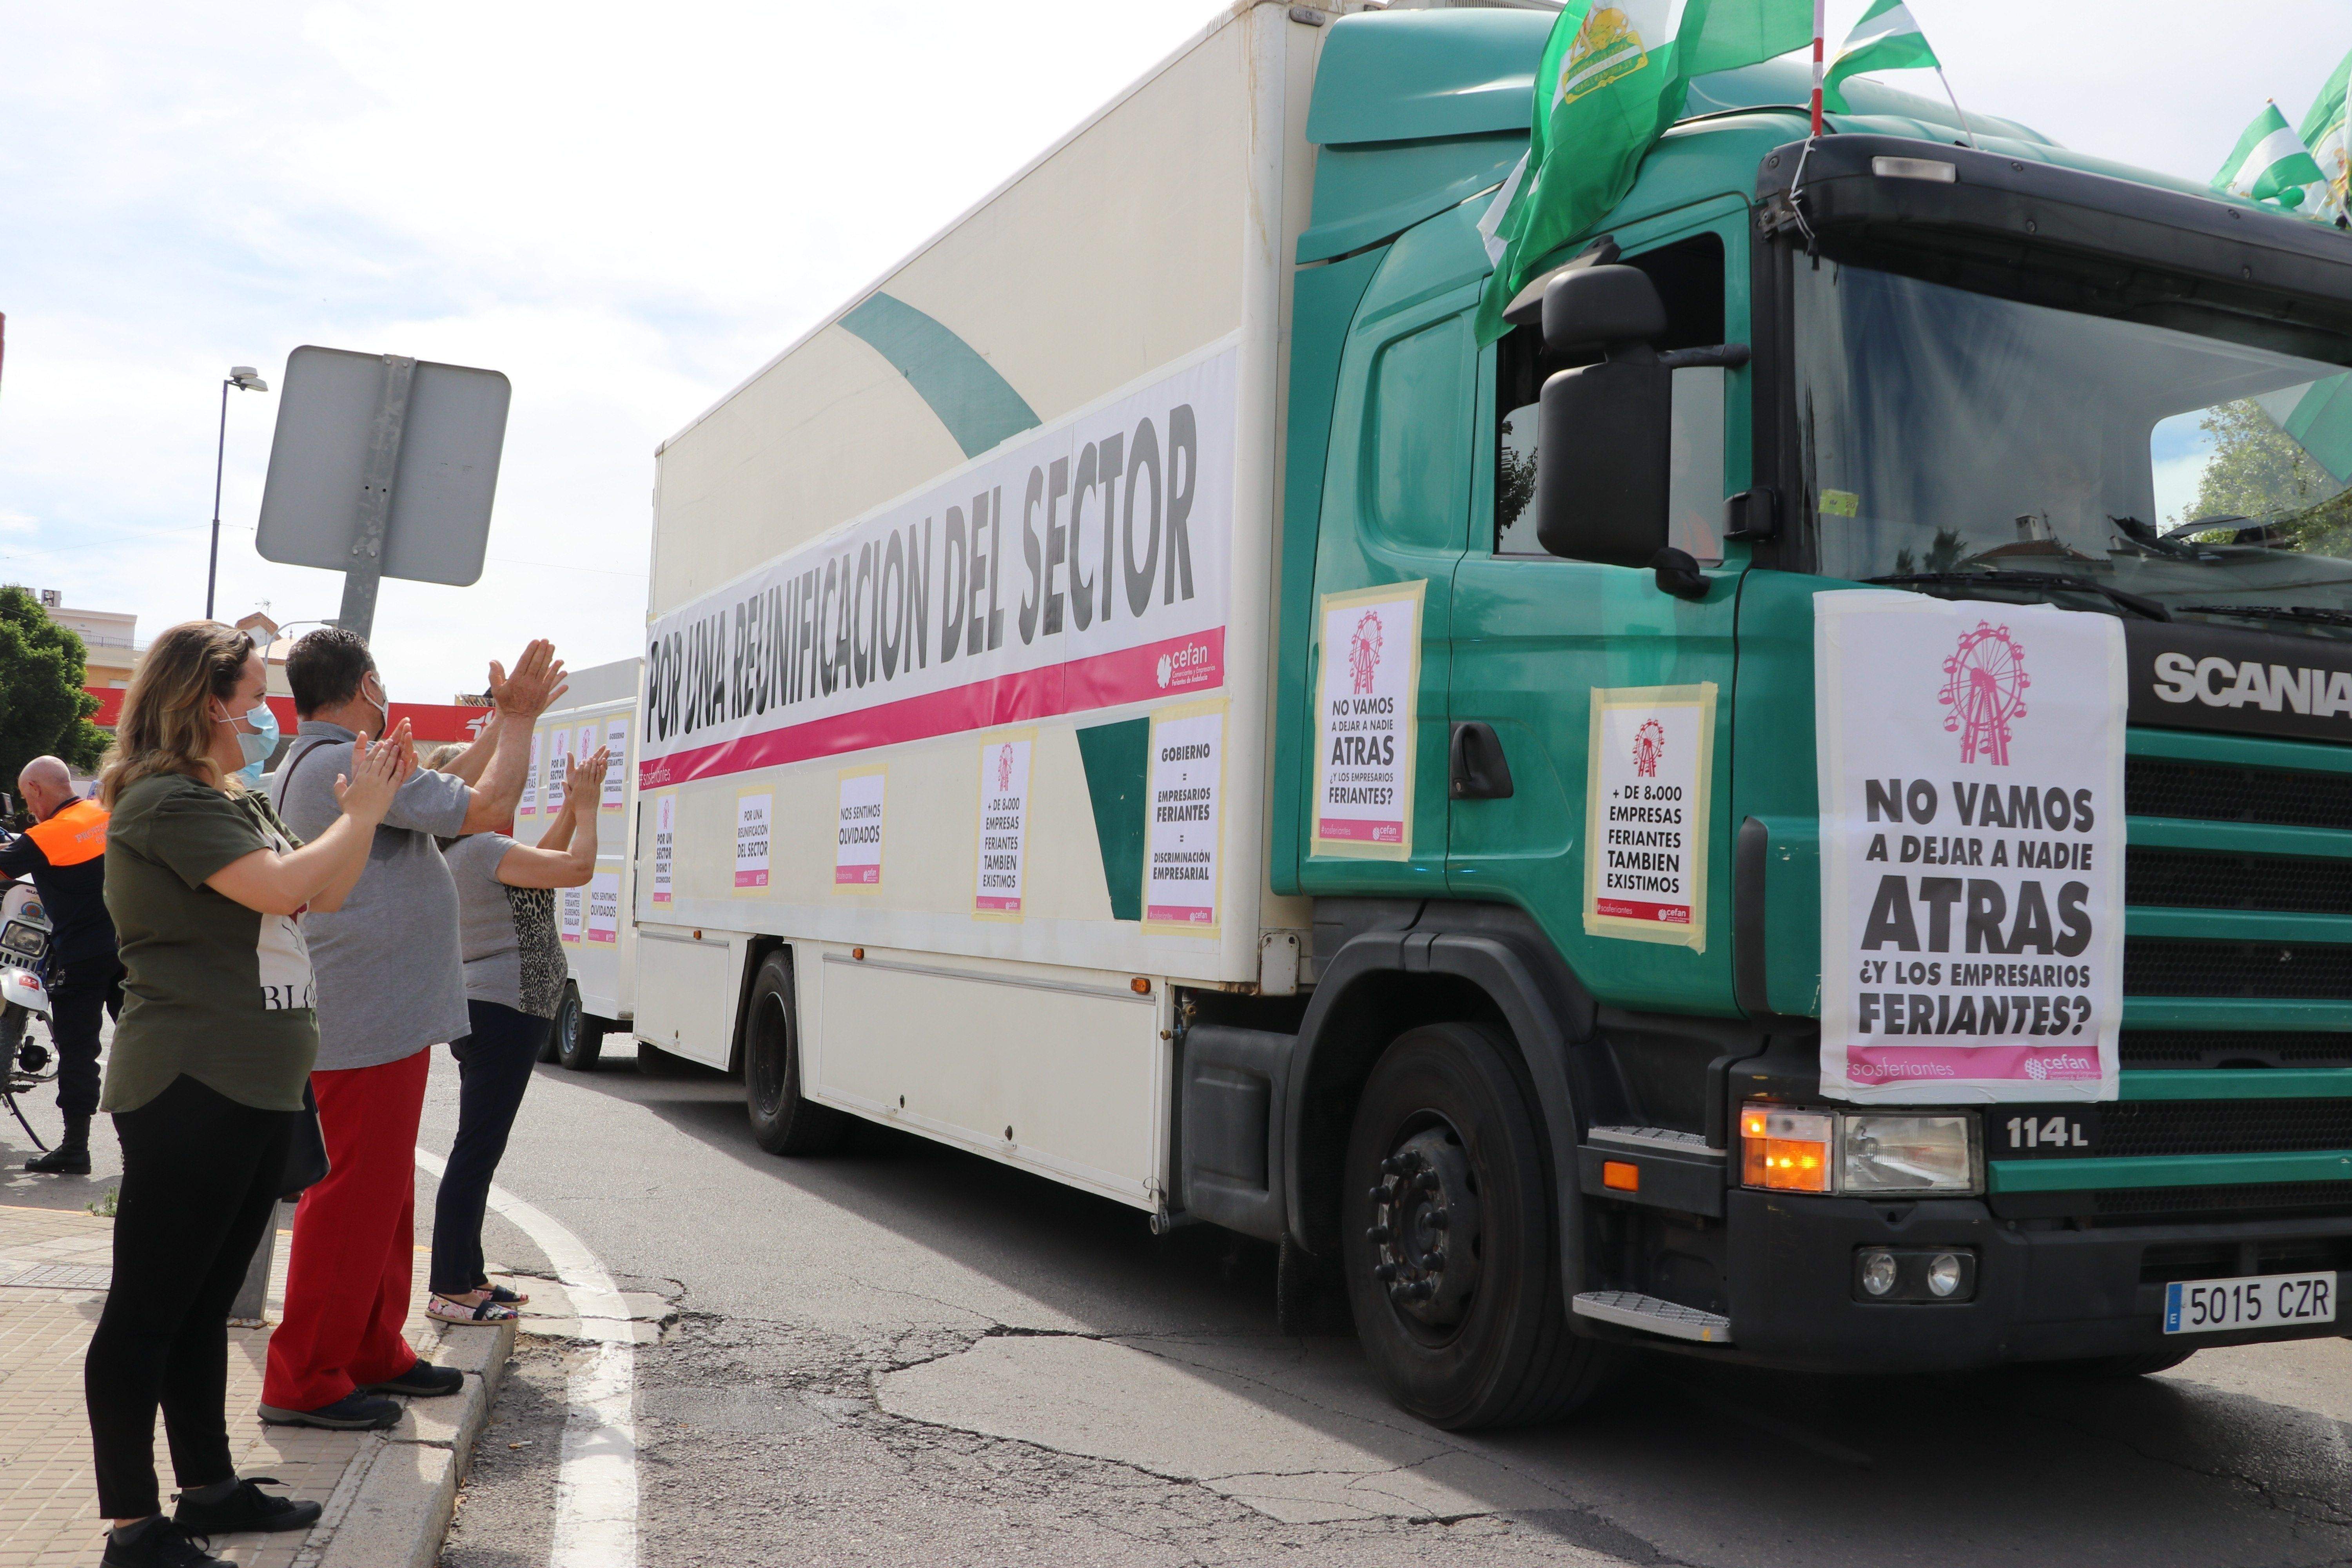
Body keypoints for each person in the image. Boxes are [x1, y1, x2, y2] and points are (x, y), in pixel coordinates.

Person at [83, 621, 411, 1568]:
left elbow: (326, 893)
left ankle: (209, 1487)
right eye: (251, 694)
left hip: (256, 1084)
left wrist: (365, 813)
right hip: (193, 1082)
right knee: (149, 1308)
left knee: (201, 1304)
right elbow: (279, 887)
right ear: (201, 701)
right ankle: (132, 1527)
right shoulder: (161, 800)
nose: (262, 713)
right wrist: (363, 813)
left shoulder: (227, 799)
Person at [260, 630, 564, 1429]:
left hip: (373, 1010)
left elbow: (441, 792)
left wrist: (499, 719)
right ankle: (306, 1376)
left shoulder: (329, 757)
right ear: (366, 684)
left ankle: (370, 1348)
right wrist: (523, 720)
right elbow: (487, 807)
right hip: (368, 1013)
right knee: (352, 1198)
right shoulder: (343, 763)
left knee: (385, 1195)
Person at [428, 744, 606, 1323]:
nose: (506, 787)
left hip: (495, 1008)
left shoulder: (466, 850)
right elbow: (576, 869)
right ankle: (451, 1286)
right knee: (477, 1150)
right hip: (503, 1011)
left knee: (480, 1147)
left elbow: (542, 859)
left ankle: (470, 1275)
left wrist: (570, 807)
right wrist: (590, 810)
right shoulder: (482, 849)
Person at [0, 756, 122, 1173]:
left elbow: (8, 864)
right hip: (130, 948)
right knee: (138, 1044)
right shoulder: (102, 813)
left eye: (25, 795)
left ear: (35, 789)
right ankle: (140, 1149)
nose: (27, 805)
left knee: (77, 1051)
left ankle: (75, 1148)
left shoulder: (46, 835)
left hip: (84, 955)